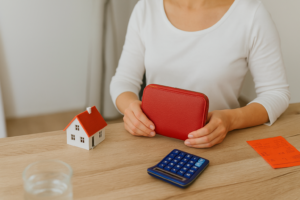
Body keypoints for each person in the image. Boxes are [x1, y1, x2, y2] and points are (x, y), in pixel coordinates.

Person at [110, 0, 290, 148]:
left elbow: (276, 93)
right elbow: (123, 81)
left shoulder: (251, 15)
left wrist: (231, 120)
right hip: (152, 141)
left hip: (217, 144)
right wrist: (130, 108)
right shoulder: (146, 8)